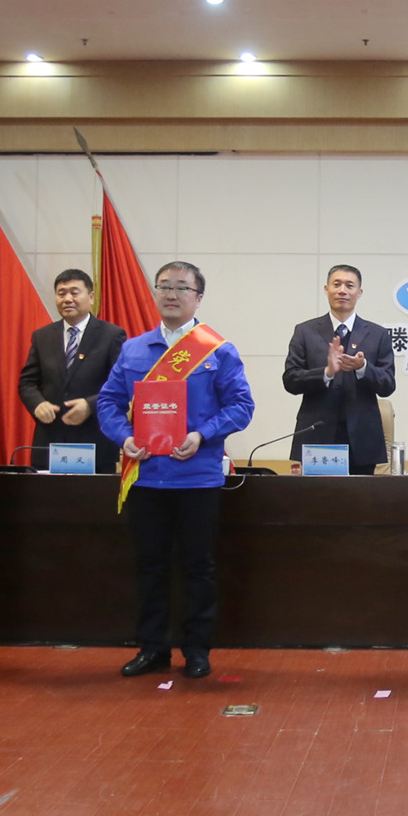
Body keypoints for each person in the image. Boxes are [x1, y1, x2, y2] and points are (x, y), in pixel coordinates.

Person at [99, 260, 254, 680]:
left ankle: (197, 650)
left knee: (197, 566)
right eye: (164, 286)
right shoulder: (133, 349)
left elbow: (242, 406)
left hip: (197, 478)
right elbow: (108, 402)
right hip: (146, 475)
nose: (171, 294)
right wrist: (123, 437)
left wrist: (203, 434)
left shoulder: (217, 350)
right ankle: (152, 648)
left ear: (198, 298)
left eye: (181, 288)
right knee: (150, 565)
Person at [282, 264, 396, 475]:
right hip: (317, 437)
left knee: (359, 496)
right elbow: (290, 380)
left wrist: (363, 368)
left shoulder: (378, 334)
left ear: (359, 293)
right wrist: (326, 373)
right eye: (336, 284)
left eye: (349, 285)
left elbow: (388, 385)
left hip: (362, 440)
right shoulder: (305, 331)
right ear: (326, 289)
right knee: (318, 495)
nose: (342, 290)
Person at [19, 267, 125, 472]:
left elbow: (120, 385)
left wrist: (90, 405)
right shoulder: (43, 336)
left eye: (74, 293)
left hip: (95, 442)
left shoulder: (111, 335)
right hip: (50, 441)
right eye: (61, 293)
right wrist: (38, 404)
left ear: (91, 297)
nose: (67, 299)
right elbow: (27, 382)